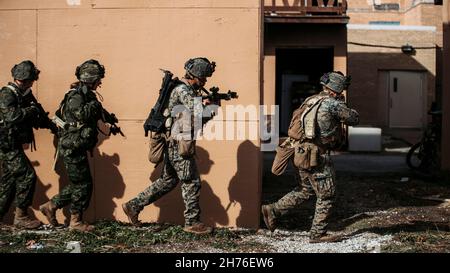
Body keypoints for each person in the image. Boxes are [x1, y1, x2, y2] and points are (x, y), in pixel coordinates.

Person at [262, 71, 359, 243]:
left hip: (301, 152)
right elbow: (353, 118)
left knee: (305, 190)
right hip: (317, 156)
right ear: (336, 89)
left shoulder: (311, 100)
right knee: (328, 194)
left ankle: (273, 210)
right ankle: (318, 234)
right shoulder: (332, 104)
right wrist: (343, 104)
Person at [122, 57, 217, 234]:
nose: (204, 82)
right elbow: (196, 111)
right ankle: (192, 222)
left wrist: (212, 108)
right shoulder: (183, 90)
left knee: (168, 181)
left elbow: (197, 118)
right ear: (195, 75)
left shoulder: (188, 91)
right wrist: (205, 103)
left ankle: (133, 206)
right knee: (191, 181)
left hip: (176, 142)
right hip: (178, 144)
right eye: (203, 78)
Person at [39, 59, 112, 231]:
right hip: (72, 146)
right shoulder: (76, 96)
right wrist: (94, 106)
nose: (100, 83)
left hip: (78, 146)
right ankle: (75, 221)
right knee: (83, 185)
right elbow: (81, 114)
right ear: (91, 79)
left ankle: (51, 206)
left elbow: (97, 111)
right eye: (98, 80)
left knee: (79, 184)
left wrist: (109, 118)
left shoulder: (87, 95)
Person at [0, 60, 53, 229]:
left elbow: (37, 112)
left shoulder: (24, 93)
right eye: (31, 80)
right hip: (6, 145)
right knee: (26, 175)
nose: (33, 83)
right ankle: (21, 217)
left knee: (8, 182)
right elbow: (11, 117)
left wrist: (53, 126)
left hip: (12, 143)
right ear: (24, 79)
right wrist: (30, 111)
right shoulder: (7, 94)